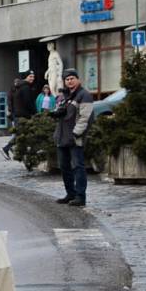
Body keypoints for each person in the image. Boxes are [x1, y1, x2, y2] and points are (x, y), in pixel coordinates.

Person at [52, 68, 94, 207]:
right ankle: (70, 193)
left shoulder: (84, 95)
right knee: (64, 168)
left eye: (72, 78)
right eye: (67, 79)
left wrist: (76, 133)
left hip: (75, 138)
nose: (69, 81)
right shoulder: (64, 96)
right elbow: (61, 113)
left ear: (78, 80)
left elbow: (85, 118)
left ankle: (80, 196)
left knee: (78, 167)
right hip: (62, 136)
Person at [1, 70, 36, 160]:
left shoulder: (18, 87)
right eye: (30, 76)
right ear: (25, 77)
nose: (32, 78)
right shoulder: (25, 87)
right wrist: (35, 113)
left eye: (33, 76)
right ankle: (7, 148)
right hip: (23, 115)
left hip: (18, 114)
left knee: (22, 134)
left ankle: (14, 149)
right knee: (23, 134)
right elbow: (28, 102)